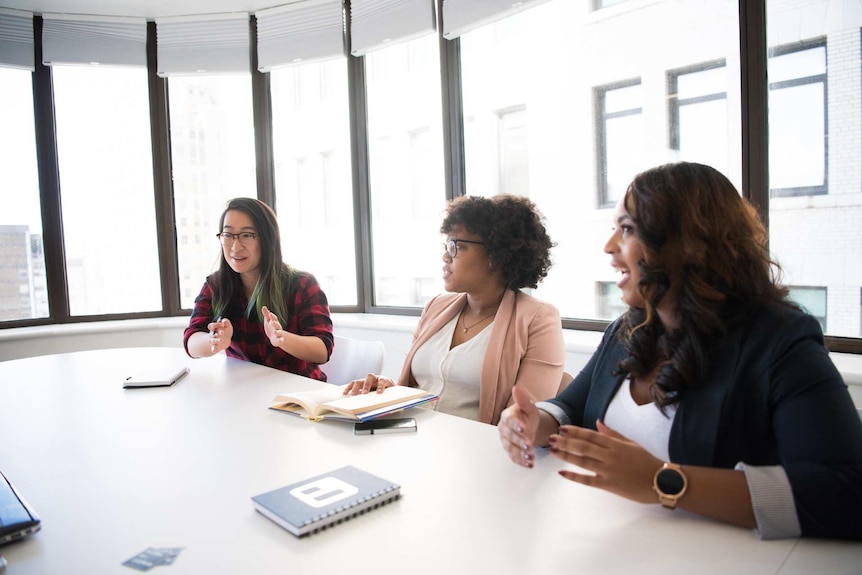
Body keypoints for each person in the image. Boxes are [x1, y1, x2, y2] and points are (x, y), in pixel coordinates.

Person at [498, 162, 862, 541]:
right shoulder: (629, 328)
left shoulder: (780, 341)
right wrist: (533, 422)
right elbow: (571, 408)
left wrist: (663, 481)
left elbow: (846, 491)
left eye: (626, 230)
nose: (609, 247)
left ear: (688, 242)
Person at [344, 194, 565, 425]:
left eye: (456, 246)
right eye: (446, 245)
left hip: (475, 452)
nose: (445, 256)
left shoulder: (538, 319)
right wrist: (387, 389)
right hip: (410, 439)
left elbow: (523, 421)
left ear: (496, 256)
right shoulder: (436, 307)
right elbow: (417, 387)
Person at [184, 197, 334, 380]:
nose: (235, 247)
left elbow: (322, 350)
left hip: (297, 396)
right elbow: (191, 341)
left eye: (247, 235)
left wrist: (282, 338)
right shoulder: (216, 286)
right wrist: (213, 341)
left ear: (267, 239)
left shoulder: (302, 284)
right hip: (244, 391)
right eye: (228, 235)